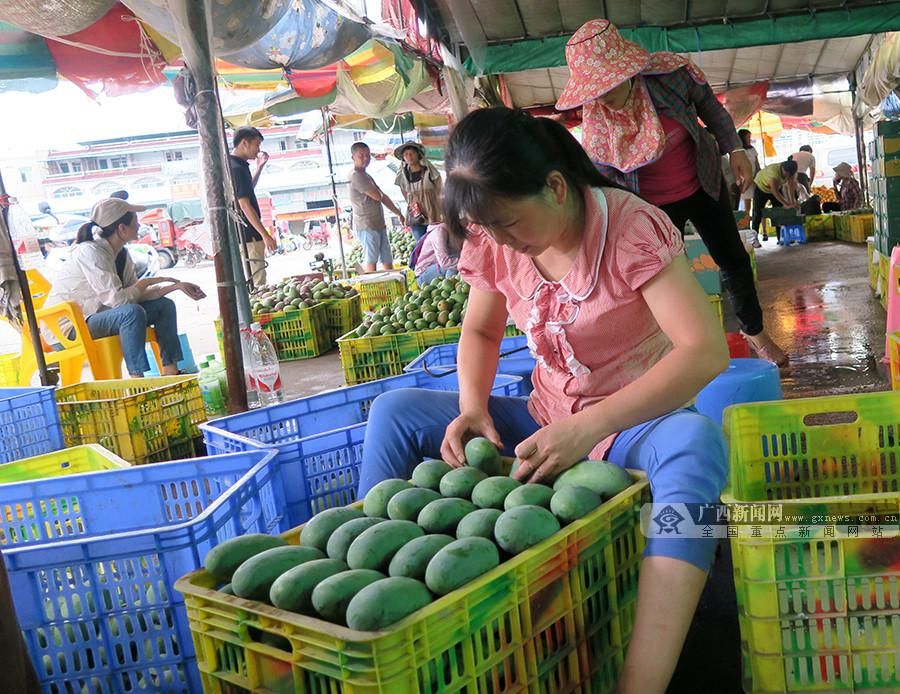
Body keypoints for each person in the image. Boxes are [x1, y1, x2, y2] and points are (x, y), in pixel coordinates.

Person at [358, 107, 730, 694]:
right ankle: (372, 611)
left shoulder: (631, 229)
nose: (503, 242)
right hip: (541, 420)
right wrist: (474, 406)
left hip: (633, 423)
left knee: (698, 444)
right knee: (396, 413)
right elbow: (480, 332)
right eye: (491, 230)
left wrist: (590, 428)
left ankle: (641, 682)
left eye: (509, 223)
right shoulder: (497, 238)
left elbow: (704, 352)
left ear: (556, 186)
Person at [556, 19, 787, 366]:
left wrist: (735, 150)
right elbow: (602, 180)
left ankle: (755, 333)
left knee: (732, 259)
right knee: (661, 278)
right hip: (652, 207)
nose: (603, 96)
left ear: (629, 71)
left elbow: (710, 109)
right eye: (595, 90)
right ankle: (675, 352)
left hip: (703, 183)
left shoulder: (671, 77)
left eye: (608, 86)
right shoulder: (597, 121)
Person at [45, 198, 205, 378]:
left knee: (164, 306)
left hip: (102, 317)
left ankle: (171, 372)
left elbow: (134, 295)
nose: (139, 226)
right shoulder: (90, 252)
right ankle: (138, 379)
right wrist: (147, 282)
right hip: (69, 330)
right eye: (136, 223)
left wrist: (176, 286)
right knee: (131, 313)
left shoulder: (121, 254)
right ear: (122, 228)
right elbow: (119, 301)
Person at [230, 126, 278, 287]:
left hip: (246, 233)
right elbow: (244, 204)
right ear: (245, 143)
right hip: (248, 234)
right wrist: (265, 235)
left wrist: (260, 167)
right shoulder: (236, 168)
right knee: (258, 282)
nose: (258, 150)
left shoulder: (238, 165)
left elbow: (248, 187)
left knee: (255, 277)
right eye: (256, 145)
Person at [349, 142, 404, 271]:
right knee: (371, 259)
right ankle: (371, 285)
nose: (365, 159)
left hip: (378, 223)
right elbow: (378, 196)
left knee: (387, 258)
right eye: (361, 156)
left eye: (368, 155)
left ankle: (392, 282)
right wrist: (379, 194)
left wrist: (398, 213)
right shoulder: (356, 176)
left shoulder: (366, 176)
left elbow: (382, 196)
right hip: (367, 225)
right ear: (353, 157)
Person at [394, 142, 443, 242]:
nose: (409, 156)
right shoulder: (403, 175)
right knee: (421, 244)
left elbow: (439, 187)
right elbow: (404, 192)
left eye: (412, 153)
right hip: (415, 215)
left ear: (418, 154)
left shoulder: (428, 170)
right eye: (406, 154)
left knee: (436, 242)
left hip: (433, 212)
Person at [751, 159, 800, 241]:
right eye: (786, 174)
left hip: (776, 187)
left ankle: (780, 237)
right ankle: (754, 239)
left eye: (789, 175)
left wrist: (792, 203)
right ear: (783, 169)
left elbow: (791, 187)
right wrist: (786, 204)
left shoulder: (792, 173)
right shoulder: (773, 173)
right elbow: (775, 192)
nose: (787, 176)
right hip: (761, 187)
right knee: (757, 213)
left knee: (779, 211)